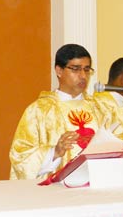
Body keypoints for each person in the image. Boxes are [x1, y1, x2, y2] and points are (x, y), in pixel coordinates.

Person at [9, 44, 100, 180]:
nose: (83, 76)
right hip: (56, 188)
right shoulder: (39, 110)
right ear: (59, 71)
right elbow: (20, 156)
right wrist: (55, 152)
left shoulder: (100, 109)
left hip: (96, 183)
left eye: (86, 70)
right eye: (76, 69)